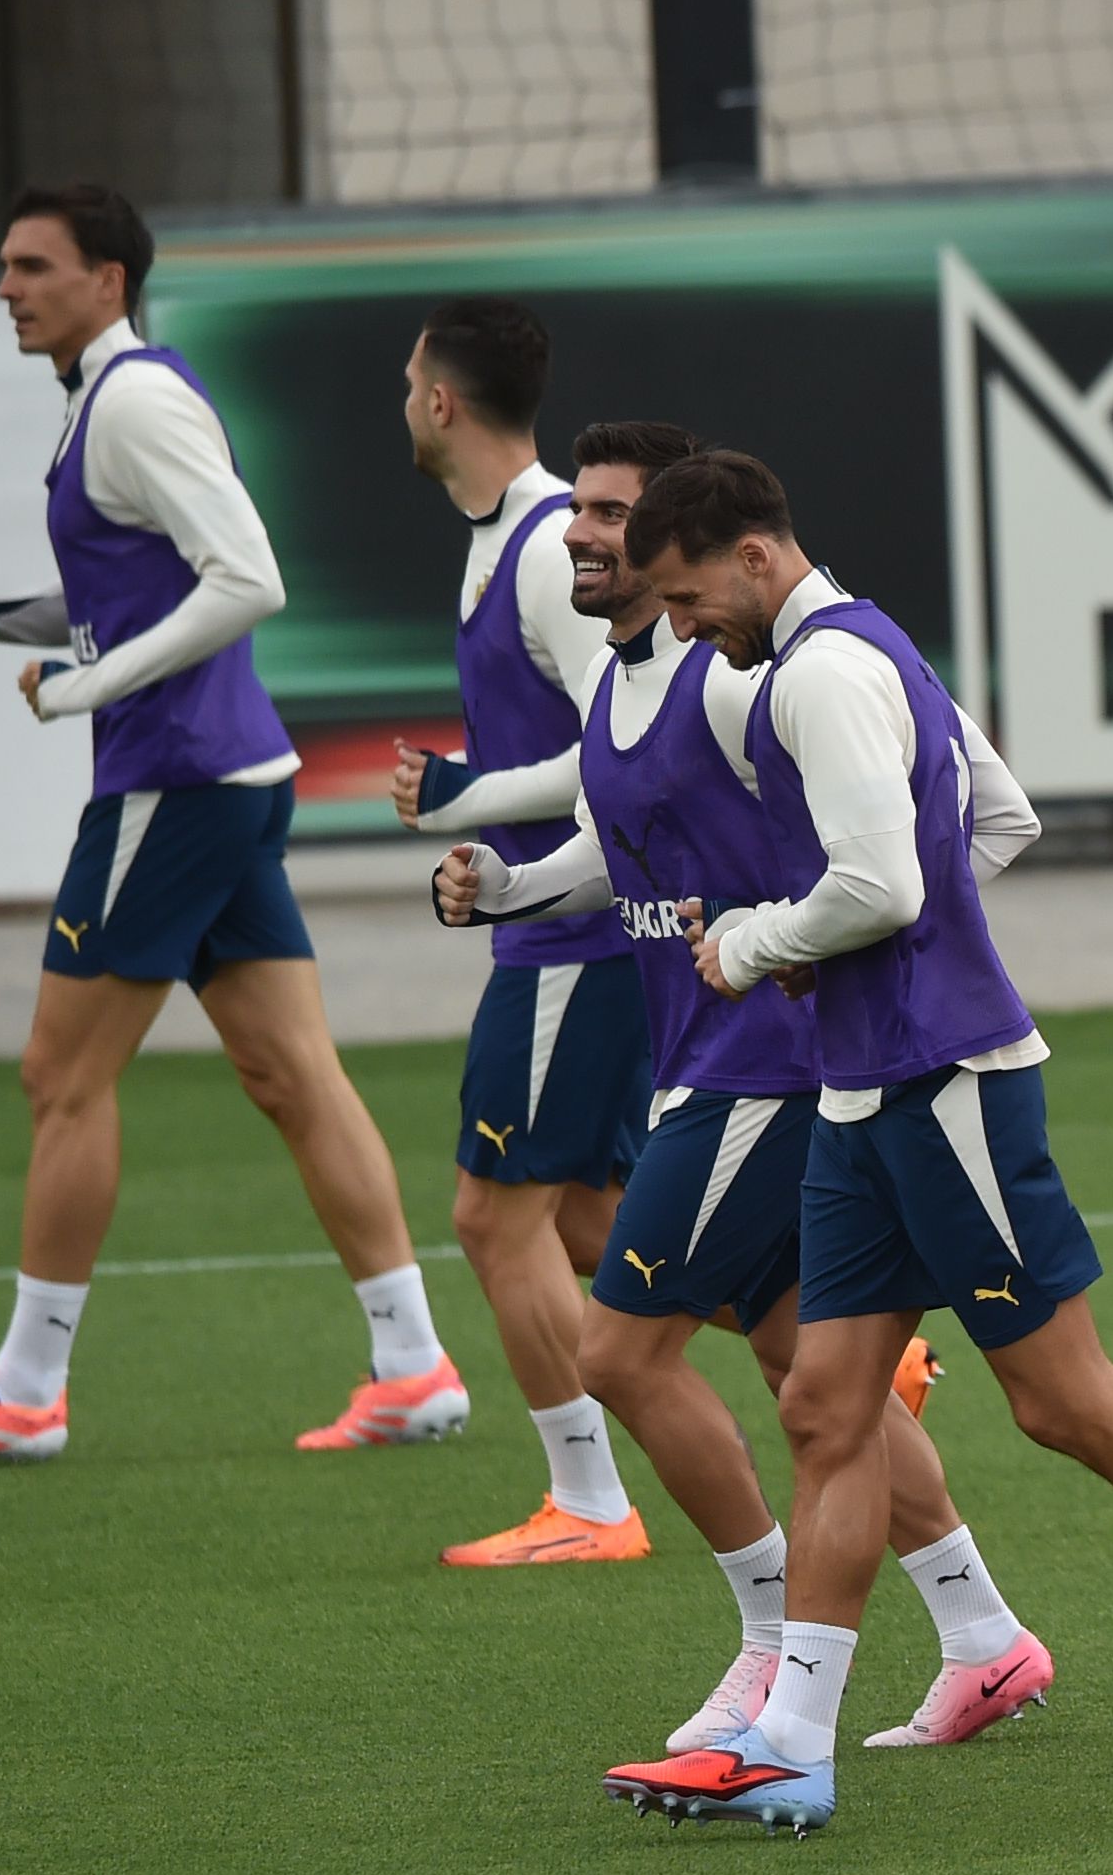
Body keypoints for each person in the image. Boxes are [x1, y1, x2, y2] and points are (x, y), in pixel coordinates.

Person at [591, 454, 1113, 1835]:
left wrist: (764, 944)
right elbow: (991, 825)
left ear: (756, 555)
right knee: (828, 1405)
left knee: (1061, 1399)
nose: (685, 622)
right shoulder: (855, 645)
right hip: (865, 1084)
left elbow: (885, 881)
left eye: (689, 592)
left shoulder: (821, 673)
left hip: (939, 1082)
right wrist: (867, 942)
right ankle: (792, 1740)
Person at [434, 423, 1050, 1757]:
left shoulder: (747, 676)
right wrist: (514, 887)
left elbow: (960, 821)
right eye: (580, 512)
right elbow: (622, 853)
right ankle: (985, 1638)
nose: (581, 534)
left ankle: (772, 1645)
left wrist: (827, 955)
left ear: (682, 546)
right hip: (703, 1067)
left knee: (620, 1348)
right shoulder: (627, 676)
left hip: (761, 1075)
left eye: (609, 516)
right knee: (808, 1377)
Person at [0, 183, 458, 1463]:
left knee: (60, 1075)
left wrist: (87, 686)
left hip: (172, 785)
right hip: (227, 778)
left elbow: (249, 577)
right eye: (5, 265)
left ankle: (25, 1391)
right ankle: (412, 1364)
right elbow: (126, 598)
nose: (8, 288)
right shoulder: (107, 403)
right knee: (292, 1076)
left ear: (108, 280)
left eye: (34, 266)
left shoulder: (131, 403)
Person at [381, 298, 654, 1565]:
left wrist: (466, 800)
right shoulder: (504, 536)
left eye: (407, 383)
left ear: (441, 401)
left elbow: (623, 748)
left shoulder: (545, 546)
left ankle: (589, 1503)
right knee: (596, 1224)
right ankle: (876, 1360)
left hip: (572, 938)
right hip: (554, 928)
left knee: (496, 1218)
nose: (404, 402)